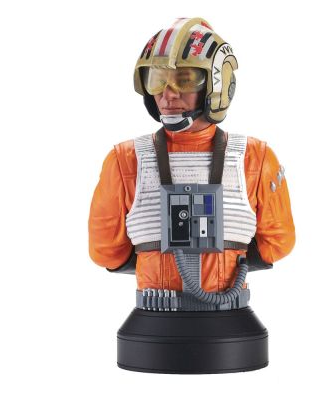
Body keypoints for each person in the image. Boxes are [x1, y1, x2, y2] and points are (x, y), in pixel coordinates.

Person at [88, 17, 295, 304]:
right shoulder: (256, 158)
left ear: (216, 85)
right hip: (230, 316)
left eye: (184, 79)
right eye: (158, 80)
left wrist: (153, 256)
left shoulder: (124, 160)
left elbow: (107, 252)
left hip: (154, 319)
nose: (168, 94)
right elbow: (277, 244)